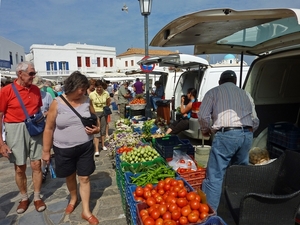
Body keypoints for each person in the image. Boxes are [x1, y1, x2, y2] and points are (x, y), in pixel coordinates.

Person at [42, 71, 100, 225]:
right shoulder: (57, 102)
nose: (83, 92)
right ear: (72, 86)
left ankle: (86, 210)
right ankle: (73, 198)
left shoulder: (87, 101)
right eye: (81, 89)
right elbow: (48, 128)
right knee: (69, 176)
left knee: (85, 177)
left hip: (85, 147)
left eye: (84, 89)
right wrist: (46, 151)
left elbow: (96, 118)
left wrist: (97, 129)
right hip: (63, 149)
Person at [198, 70, 259, 211]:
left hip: (227, 134)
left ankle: (210, 214)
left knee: (215, 175)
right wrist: (248, 131)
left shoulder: (213, 92)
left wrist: (205, 130)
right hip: (246, 135)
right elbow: (255, 119)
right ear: (235, 82)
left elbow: (202, 116)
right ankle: (239, 208)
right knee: (240, 172)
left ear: (220, 81)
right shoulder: (246, 94)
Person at [0, 61, 46, 214]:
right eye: (31, 73)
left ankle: (38, 196)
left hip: (33, 127)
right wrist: (1, 143)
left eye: (34, 73)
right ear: (20, 74)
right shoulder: (6, 91)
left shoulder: (35, 90)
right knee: (20, 168)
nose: (34, 76)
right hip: (15, 128)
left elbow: (38, 110)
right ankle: (24, 197)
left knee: (36, 165)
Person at [89, 80, 110, 155]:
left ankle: (103, 145)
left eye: (100, 87)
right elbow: (90, 104)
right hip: (95, 112)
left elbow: (108, 101)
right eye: (97, 87)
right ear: (95, 87)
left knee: (103, 129)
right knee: (97, 129)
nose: (99, 89)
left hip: (104, 112)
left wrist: (106, 107)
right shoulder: (92, 94)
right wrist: (93, 113)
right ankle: (97, 149)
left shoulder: (106, 93)